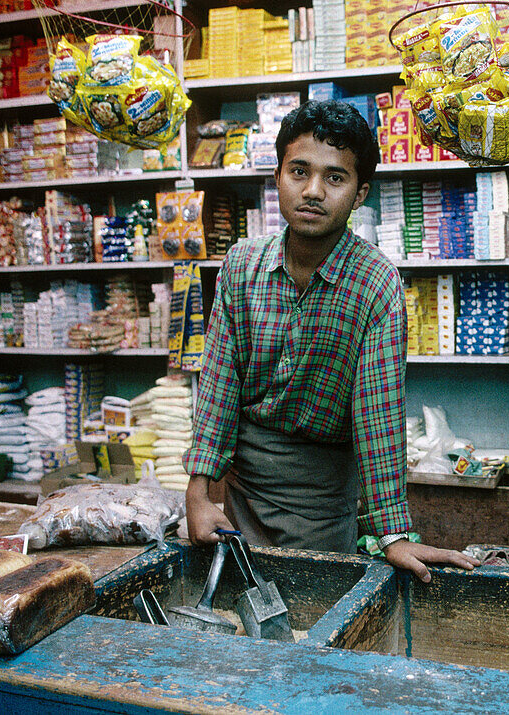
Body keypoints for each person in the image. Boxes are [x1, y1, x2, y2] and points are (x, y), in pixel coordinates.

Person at [183, 100, 479, 583]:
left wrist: (393, 534)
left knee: (310, 629)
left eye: (335, 178)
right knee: (236, 627)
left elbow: (377, 417)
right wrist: (198, 495)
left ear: (360, 193)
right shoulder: (241, 265)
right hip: (241, 493)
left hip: (322, 503)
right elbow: (218, 386)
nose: (313, 191)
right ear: (277, 175)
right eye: (299, 171)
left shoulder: (376, 285)